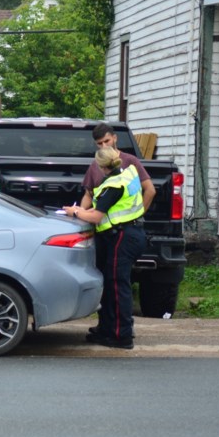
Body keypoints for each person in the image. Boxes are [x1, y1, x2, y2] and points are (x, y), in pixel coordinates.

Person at [63, 147, 146, 349]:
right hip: (128, 233)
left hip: (123, 236)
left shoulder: (114, 186)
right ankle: (107, 329)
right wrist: (84, 210)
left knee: (117, 286)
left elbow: (96, 216)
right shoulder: (128, 173)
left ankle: (122, 335)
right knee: (109, 283)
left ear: (101, 166)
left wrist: (75, 212)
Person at [79, 122, 156, 213]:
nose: (104, 146)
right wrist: (80, 212)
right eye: (100, 143)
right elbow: (88, 195)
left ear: (115, 138)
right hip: (103, 224)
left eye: (107, 141)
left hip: (128, 225)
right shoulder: (95, 164)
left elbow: (150, 190)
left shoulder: (131, 161)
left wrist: (139, 213)